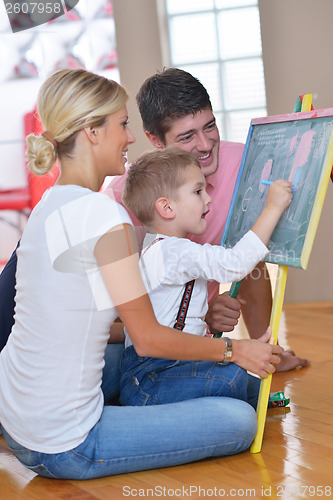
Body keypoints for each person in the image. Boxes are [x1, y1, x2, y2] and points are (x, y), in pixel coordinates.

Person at [0, 68, 284, 480]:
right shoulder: (105, 216)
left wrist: (198, 321)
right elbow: (148, 339)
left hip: (17, 418)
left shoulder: (49, 204)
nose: (130, 137)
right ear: (92, 132)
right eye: (122, 124)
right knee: (239, 420)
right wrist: (233, 351)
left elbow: (88, 323)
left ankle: (142, 407)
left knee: (131, 360)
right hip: (67, 444)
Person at [107, 67, 310, 372]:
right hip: (149, 334)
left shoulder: (246, 164)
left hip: (199, 317)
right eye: (187, 136)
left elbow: (248, 256)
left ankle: (268, 350)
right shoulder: (123, 196)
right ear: (155, 139)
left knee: (252, 256)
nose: (204, 144)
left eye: (210, 126)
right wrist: (195, 323)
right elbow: (118, 311)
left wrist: (205, 314)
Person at [119, 147, 293, 408]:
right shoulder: (172, 251)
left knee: (248, 382)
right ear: (166, 207)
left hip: (165, 369)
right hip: (153, 376)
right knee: (233, 379)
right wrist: (273, 208)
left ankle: (248, 402)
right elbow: (234, 264)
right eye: (198, 191)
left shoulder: (163, 249)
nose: (209, 200)